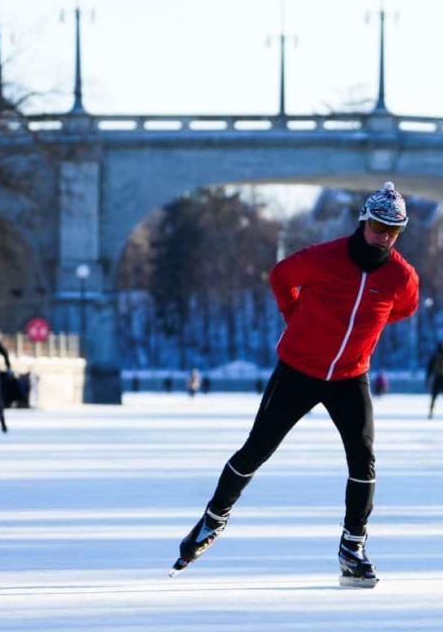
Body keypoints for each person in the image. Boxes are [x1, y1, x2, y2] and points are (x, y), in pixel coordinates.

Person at [171, 182, 419, 588]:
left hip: (348, 376)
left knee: (363, 459)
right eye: (378, 226)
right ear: (364, 221)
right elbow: (281, 276)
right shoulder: (326, 257)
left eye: (393, 231)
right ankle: (212, 521)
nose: (384, 236)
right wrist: (297, 317)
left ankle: (352, 547)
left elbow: (403, 309)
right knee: (257, 449)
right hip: (298, 370)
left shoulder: (401, 276)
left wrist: (362, 332)